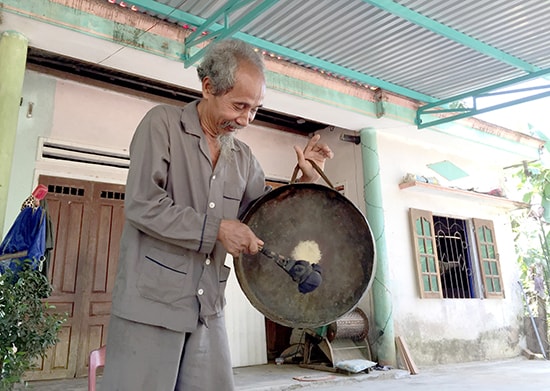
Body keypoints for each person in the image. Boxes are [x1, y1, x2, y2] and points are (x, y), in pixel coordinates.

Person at [101, 38, 333, 391]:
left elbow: (262, 218)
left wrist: (305, 179)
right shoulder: (162, 125)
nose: (246, 119)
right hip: (150, 306)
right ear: (208, 87)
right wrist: (218, 229)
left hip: (207, 308)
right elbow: (143, 204)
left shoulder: (242, 157)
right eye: (239, 106)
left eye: (255, 109)